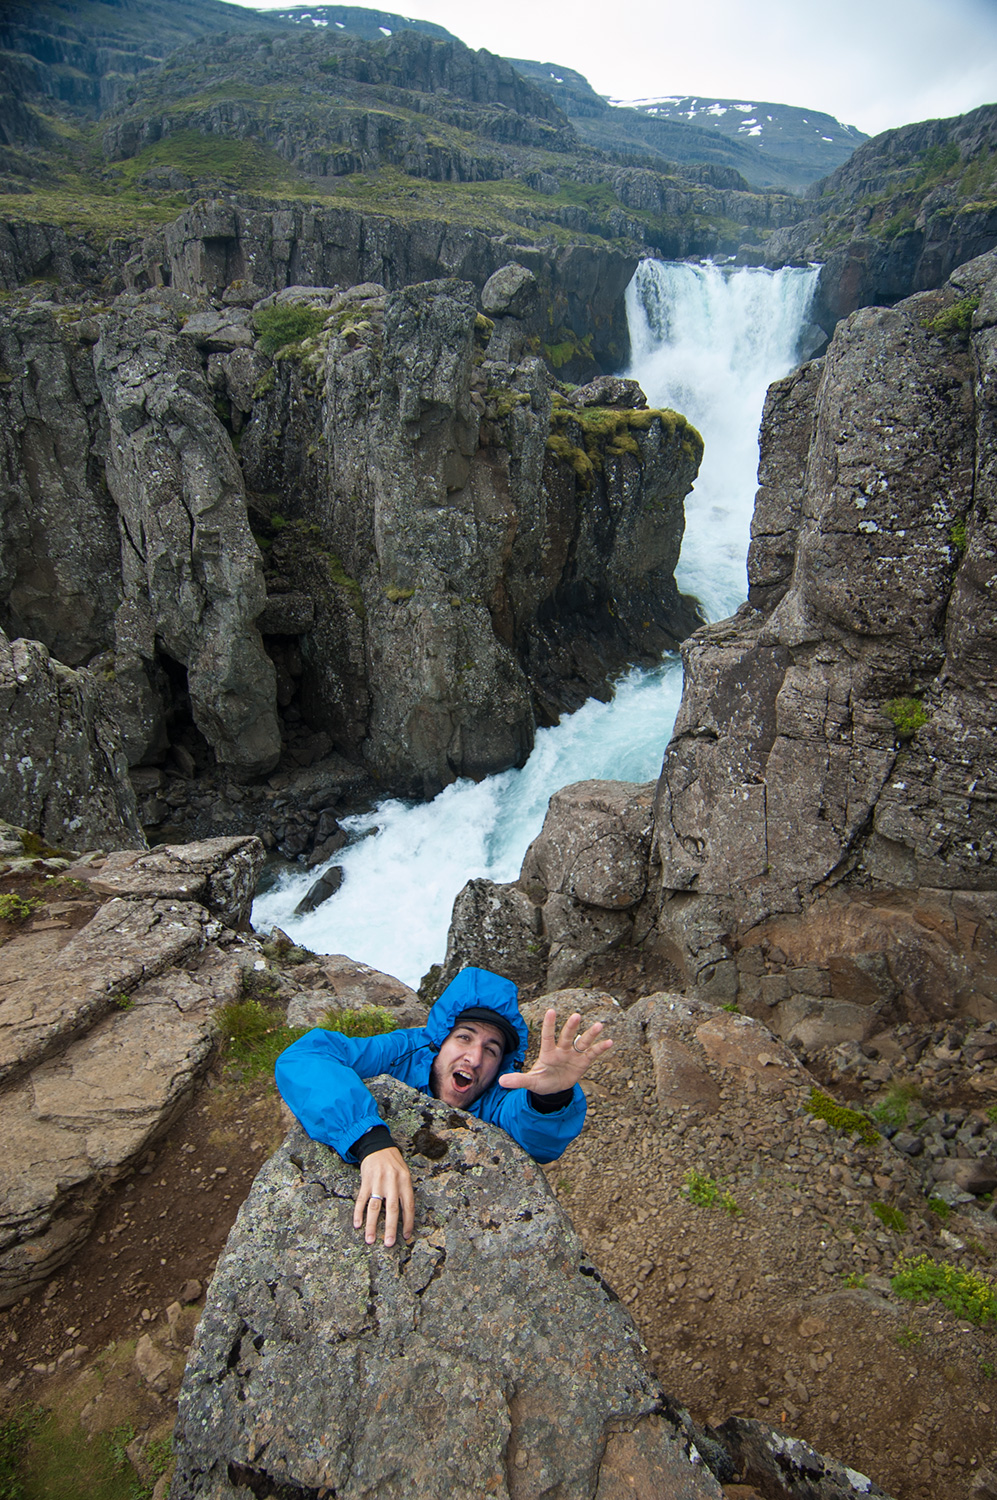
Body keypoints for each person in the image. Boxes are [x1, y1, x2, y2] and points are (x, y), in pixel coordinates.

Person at [275, 965, 611, 1248]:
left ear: (501, 1065)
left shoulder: (497, 1094)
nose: (475, 1058)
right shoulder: (402, 1052)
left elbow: (536, 1141)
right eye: (464, 1037)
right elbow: (305, 1057)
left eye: (491, 1050)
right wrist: (369, 1139)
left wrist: (550, 1096)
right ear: (440, 1040)